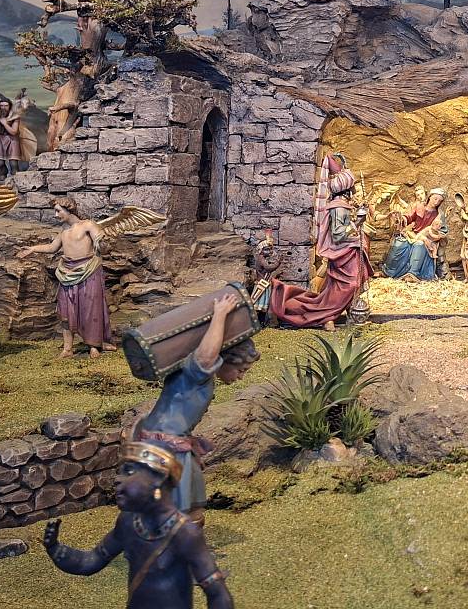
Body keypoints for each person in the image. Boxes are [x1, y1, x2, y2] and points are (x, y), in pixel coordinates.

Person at [44, 442, 233, 609]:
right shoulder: (128, 522)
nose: (117, 479)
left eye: (129, 472)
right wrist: (55, 548)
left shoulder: (185, 534)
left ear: (158, 478)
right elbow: (91, 560)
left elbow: (217, 593)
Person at [131, 291, 259, 523]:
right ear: (225, 359)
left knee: (192, 504)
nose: (241, 377)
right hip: (164, 445)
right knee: (177, 507)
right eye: (241, 370)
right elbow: (206, 356)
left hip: (177, 444)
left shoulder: (201, 379)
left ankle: (186, 540)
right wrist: (220, 315)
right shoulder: (196, 374)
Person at [271, 153, 372, 329]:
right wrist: (357, 222)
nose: (355, 188)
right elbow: (338, 235)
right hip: (343, 254)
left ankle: (347, 314)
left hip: (348, 252)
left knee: (347, 285)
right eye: (353, 185)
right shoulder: (339, 208)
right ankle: (327, 315)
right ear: (347, 188)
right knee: (349, 285)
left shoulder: (343, 206)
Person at [17, 197, 116, 358]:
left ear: (69, 209)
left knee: (90, 309)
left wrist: (102, 242)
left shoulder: (87, 225)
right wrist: (33, 249)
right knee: (65, 310)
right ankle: (67, 348)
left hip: (88, 271)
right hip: (67, 274)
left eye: (58, 211)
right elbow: (52, 247)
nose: (56, 215)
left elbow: (100, 241)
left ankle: (94, 345)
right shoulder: (64, 232)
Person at [383, 189, 448, 282]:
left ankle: (413, 273)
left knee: (419, 245)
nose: (436, 202)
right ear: (430, 197)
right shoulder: (419, 207)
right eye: (435, 199)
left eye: (439, 201)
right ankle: (389, 272)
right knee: (398, 243)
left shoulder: (439, 214)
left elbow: (442, 231)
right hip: (412, 235)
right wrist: (401, 218)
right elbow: (409, 217)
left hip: (427, 238)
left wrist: (431, 236)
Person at [0, 97, 22, 179]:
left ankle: (16, 179)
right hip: (1, 140)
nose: (3, 108)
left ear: (9, 106)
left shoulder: (15, 117)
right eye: (1, 106)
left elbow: (14, 132)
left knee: (13, 163)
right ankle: (3, 178)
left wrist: (5, 124)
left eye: (6, 106)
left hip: (12, 140)